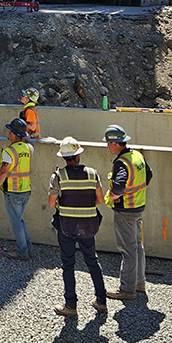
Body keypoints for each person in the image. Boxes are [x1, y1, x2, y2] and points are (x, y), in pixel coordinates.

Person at [48, 136, 107, 317]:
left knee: (68, 264)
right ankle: (101, 300)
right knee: (92, 261)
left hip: (66, 226)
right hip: (88, 225)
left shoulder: (58, 176)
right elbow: (100, 200)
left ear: (64, 158)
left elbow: (52, 203)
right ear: (78, 155)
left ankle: (70, 305)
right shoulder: (92, 174)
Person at [103, 124, 153, 300]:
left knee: (128, 250)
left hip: (126, 211)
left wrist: (115, 195)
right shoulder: (137, 155)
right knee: (137, 246)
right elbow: (149, 175)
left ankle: (126, 289)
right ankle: (139, 283)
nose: (107, 146)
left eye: (108, 143)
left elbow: (119, 185)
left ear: (115, 143)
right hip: (139, 208)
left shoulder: (121, 163)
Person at [0, 117, 33, 260]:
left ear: (13, 134)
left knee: (16, 222)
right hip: (26, 189)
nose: (8, 133)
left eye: (10, 131)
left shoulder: (9, 152)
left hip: (13, 191)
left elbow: (3, 172)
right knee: (19, 220)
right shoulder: (28, 148)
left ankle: (22, 252)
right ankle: (28, 247)